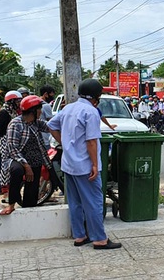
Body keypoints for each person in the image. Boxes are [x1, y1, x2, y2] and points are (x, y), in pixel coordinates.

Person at [48, 79, 121, 250]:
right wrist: (95, 165)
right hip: (85, 166)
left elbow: (51, 125)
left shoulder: (68, 108)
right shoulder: (91, 111)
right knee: (94, 202)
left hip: (69, 164)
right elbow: (91, 142)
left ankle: (80, 236)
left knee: (75, 202)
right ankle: (99, 239)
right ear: (96, 96)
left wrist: (65, 144)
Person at [0, 95, 52, 215]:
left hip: (35, 160)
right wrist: (26, 165)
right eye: (39, 109)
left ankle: (29, 209)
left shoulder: (36, 123)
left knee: (32, 193)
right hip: (18, 159)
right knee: (16, 171)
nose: (41, 112)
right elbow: (12, 148)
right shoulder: (15, 124)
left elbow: (51, 126)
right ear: (32, 111)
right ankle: (11, 204)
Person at [39, 85, 56, 149]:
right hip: (46, 139)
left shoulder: (37, 104)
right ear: (46, 94)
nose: (52, 97)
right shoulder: (46, 106)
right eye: (52, 94)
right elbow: (51, 122)